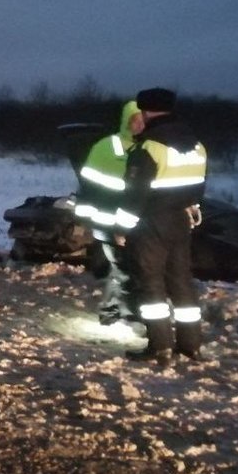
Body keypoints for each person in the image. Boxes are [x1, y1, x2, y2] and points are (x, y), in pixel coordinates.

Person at [117, 88, 208, 366]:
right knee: (181, 281)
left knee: (150, 283)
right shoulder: (196, 145)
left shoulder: (149, 147)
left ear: (145, 112)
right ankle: (190, 345)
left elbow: (135, 194)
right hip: (182, 219)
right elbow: (198, 186)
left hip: (152, 223)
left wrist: (122, 228)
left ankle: (160, 347)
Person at [72, 100, 145, 324]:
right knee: (123, 267)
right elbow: (87, 186)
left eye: (145, 120)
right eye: (136, 119)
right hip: (108, 221)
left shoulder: (149, 149)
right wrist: (82, 219)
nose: (141, 125)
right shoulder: (106, 148)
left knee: (127, 268)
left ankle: (112, 310)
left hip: (137, 223)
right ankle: (126, 312)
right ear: (127, 121)